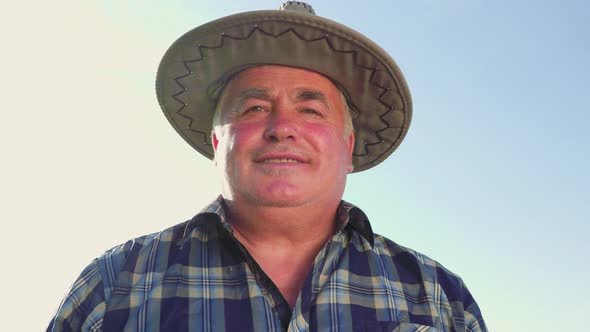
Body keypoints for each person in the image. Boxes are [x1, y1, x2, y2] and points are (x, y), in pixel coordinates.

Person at [48, 2, 487, 331]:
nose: (282, 127)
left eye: (311, 111)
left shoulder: (440, 298)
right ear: (218, 142)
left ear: (349, 147)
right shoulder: (114, 284)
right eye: (255, 107)